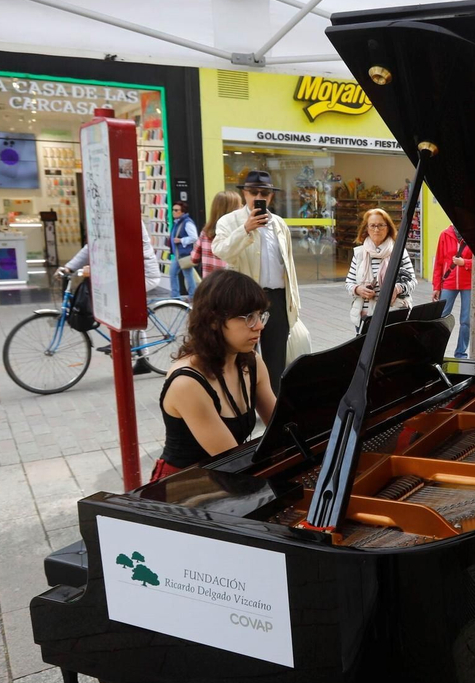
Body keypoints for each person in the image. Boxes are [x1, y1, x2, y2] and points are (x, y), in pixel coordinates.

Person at [148, 271, 277, 482]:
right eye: (248, 318)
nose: (260, 325)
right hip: (181, 489)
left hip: (225, 479)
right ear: (214, 321)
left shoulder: (251, 362)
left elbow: (281, 426)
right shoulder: (187, 383)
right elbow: (232, 460)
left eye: (260, 315)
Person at [211, 170, 305, 393]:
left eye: (265, 193)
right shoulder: (230, 221)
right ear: (244, 193)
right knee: (243, 356)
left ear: (271, 196)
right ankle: (245, 401)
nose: (259, 197)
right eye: (253, 192)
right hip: (245, 301)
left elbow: (288, 265)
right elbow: (221, 251)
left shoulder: (279, 224)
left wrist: (293, 302)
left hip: (277, 298)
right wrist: (245, 229)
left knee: (276, 357)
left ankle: (272, 407)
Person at [58, 231, 167, 374]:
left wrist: (97, 268)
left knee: (121, 303)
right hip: (127, 274)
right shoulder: (106, 219)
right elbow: (91, 246)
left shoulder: (128, 220)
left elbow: (125, 252)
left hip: (143, 274)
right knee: (122, 309)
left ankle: (126, 342)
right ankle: (143, 360)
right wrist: (69, 267)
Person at [346, 207, 417, 332]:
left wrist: (397, 288)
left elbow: (412, 282)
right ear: (366, 229)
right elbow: (349, 283)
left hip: (392, 314)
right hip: (365, 316)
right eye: (372, 225)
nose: (376, 229)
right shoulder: (359, 254)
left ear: (388, 227)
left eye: (380, 225)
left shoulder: (399, 252)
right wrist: (358, 289)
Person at [431, 221, 474, 358]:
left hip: (469, 284)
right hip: (448, 283)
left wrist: (465, 263)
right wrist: (436, 286)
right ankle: (436, 351)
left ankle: (461, 353)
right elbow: (439, 262)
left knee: (466, 320)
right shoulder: (445, 234)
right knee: (441, 318)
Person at [195, 190, 240, 278]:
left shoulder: (205, 233)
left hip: (210, 285)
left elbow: (194, 258)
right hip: (231, 284)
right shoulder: (238, 233)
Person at [168, 201, 198, 297]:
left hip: (184, 254)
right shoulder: (178, 222)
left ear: (182, 212)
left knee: (187, 275)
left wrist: (181, 240)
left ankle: (191, 295)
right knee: (175, 274)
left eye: (176, 210)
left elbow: (194, 237)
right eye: (173, 210)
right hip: (178, 254)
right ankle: (176, 296)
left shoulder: (187, 222)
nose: (173, 212)